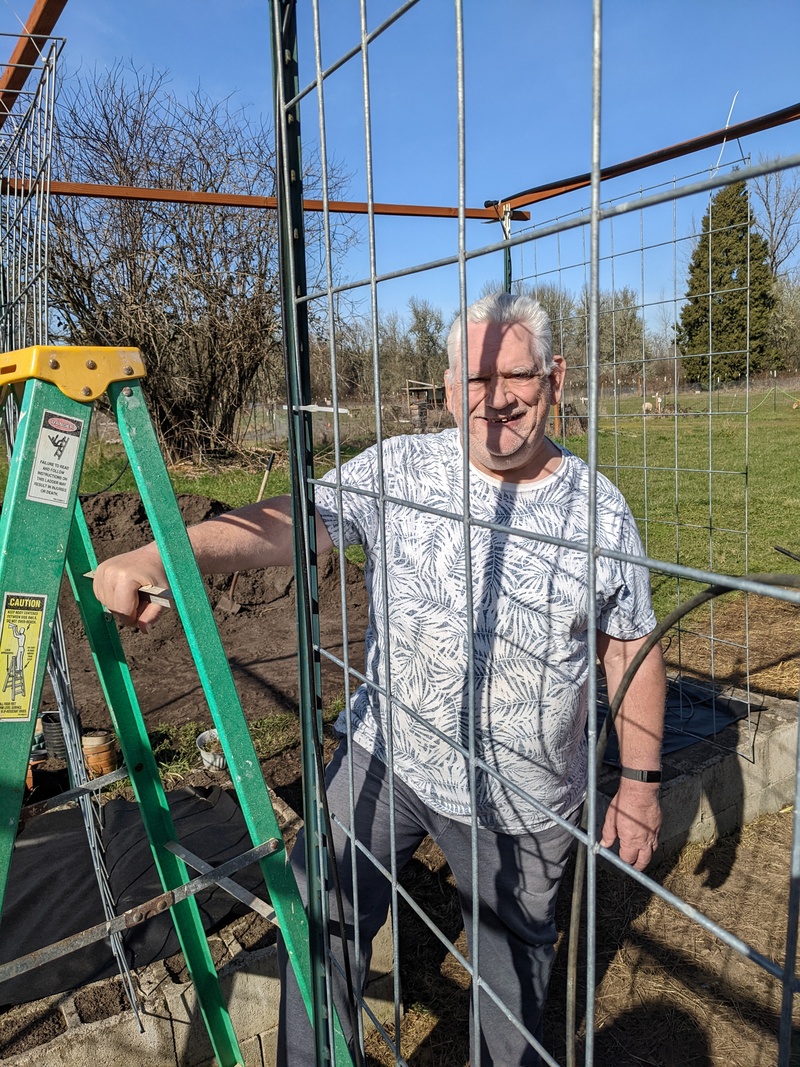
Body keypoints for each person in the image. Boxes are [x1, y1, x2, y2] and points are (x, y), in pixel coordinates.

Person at [93, 292, 665, 1066]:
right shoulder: (402, 467)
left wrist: (638, 785)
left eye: (518, 374)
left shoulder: (600, 511)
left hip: (521, 800)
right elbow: (292, 520)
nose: (497, 398)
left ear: (555, 376)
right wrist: (164, 552)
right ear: (447, 382)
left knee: (512, 994)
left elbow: (628, 646)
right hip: (384, 753)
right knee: (317, 922)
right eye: (475, 378)